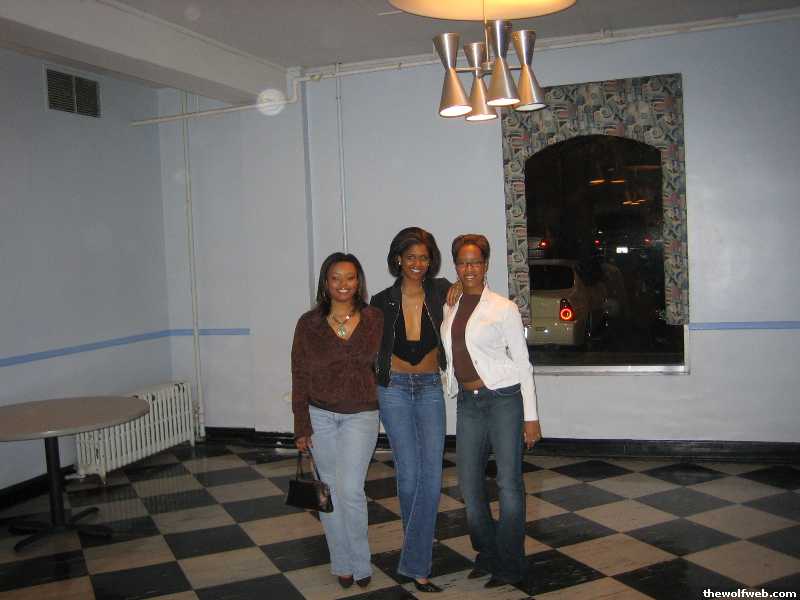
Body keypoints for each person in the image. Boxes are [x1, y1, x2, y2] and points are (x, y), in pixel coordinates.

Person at [440, 234, 542, 589]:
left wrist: (531, 417)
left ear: (485, 265)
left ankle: (511, 563)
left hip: (503, 399)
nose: (469, 268)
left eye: (475, 262)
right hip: (468, 403)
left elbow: (523, 363)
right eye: (462, 262)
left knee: (508, 483)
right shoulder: (450, 304)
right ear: (456, 266)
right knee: (469, 483)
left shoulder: (504, 307)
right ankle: (487, 553)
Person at [369, 227, 455, 593]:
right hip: (395, 390)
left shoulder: (442, 291)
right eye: (410, 257)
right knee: (407, 476)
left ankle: (413, 557)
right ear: (398, 260)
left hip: (430, 387)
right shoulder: (380, 300)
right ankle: (418, 563)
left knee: (431, 477)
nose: (417, 263)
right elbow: (368, 347)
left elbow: (472, 301)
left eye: (423, 257)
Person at [291, 252, 383, 590]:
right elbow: (299, 374)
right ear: (325, 283)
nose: (343, 284)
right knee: (327, 491)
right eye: (335, 278)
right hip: (320, 415)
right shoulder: (308, 324)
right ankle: (341, 563)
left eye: (350, 277)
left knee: (351, 489)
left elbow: (389, 364)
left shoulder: (375, 319)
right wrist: (301, 426)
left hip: (361, 414)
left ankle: (361, 562)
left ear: (359, 282)